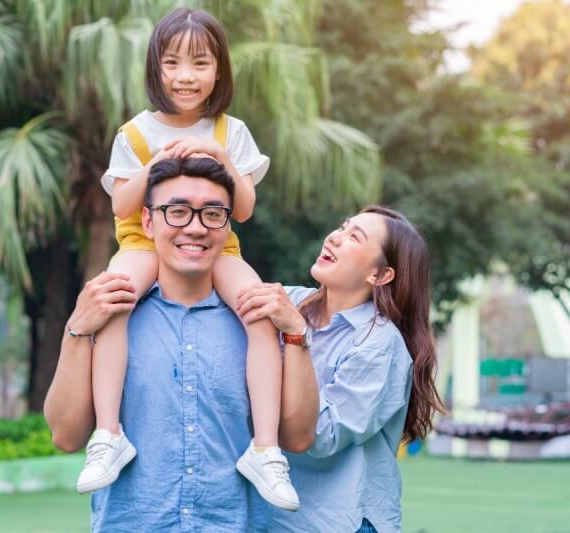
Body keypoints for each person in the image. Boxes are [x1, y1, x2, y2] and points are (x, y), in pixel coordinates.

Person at [80, 7, 293, 510]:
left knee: (260, 311)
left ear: (219, 71)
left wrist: (218, 159)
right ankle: (108, 434)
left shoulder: (230, 131)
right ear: (156, 67)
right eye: (172, 63)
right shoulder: (135, 132)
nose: (185, 76)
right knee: (115, 295)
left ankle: (265, 448)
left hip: (214, 242)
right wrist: (159, 162)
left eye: (200, 64)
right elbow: (121, 205)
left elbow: (242, 207)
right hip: (142, 238)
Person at [44, 157, 320, 531]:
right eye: (177, 212)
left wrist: (297, 335)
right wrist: (75, 329)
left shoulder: (259, 319)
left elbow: (299, 437)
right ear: (146, 221)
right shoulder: (109, 316)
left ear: (227, 224)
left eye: (212, 213)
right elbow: (66, 435)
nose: (195, 228)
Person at [236, 206, 446, 533]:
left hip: (338, 522)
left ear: (379, 275)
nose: (335, 237)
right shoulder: (288, 302)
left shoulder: (379, 344)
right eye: (342, 227)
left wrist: (296, 336)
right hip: (269, 518)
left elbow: (320, 437)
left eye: (354, 237)